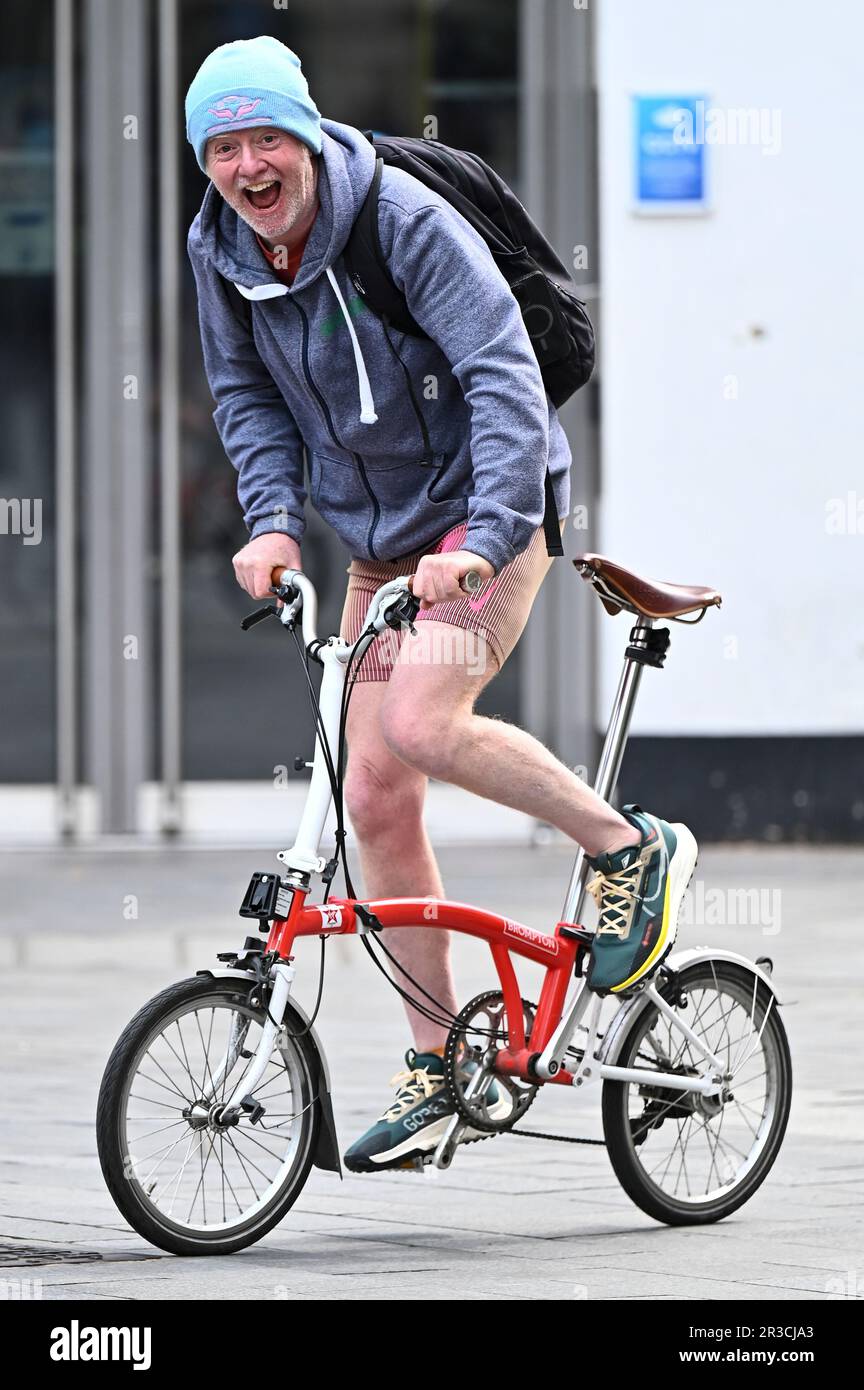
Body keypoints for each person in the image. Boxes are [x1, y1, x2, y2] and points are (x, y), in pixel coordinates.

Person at [185, 36, 697, 1172]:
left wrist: (480, 537)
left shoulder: (403, 222)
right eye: (222, 146)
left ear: (307, 137)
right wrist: (271, 521)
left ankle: (627, 849)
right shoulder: (220, 247)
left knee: (419, 721)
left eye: (268, 136)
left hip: (486, 518)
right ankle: (441, 1068)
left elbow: (505, 375)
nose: (248, 165)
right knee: (372, 792)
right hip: (378, 542)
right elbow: (245, 395)